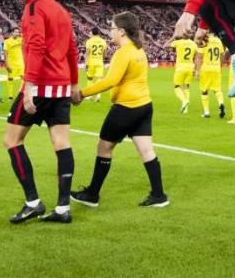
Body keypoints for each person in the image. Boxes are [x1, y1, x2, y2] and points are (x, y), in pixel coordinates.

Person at [4, 0, 79, 225]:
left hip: (40, 85)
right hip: (61, 86)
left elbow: (36, 46)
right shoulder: (61, 10)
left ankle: (33, 203)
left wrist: (29, 86)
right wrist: (74, 83)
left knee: (12, 140)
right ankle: (62, 208)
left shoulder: (34, 7)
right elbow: (71, 49)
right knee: (62, 143)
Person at [71, 12, 168, 208]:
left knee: (104, 148)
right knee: (147, 150)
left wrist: (81, 93)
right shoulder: (139, 50)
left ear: (122, 31)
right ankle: (159, 195)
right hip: (144, 106)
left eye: (112, 28)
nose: (110, 32)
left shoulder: (123, 53)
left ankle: (92, 194)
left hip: (126, 108)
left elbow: (110, 81)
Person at [194, 29, 226, 119]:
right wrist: (220, 66)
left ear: (207, 31)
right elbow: (222, 55)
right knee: (217, 90)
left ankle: (206, 112)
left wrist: (197, 71)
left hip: (206, 68)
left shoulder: (204, 40)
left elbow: (199, 57)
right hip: (216, 68)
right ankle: (221, 103)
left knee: (204, 90)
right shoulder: (218, 41)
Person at [167, 35, 198, 114]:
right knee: (187, 87)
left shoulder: (178, 42)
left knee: (176, 87)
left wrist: (173, 37)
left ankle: (184, 101)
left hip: (180, 68)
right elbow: (196, 57)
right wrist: (195, 69)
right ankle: (186, 109)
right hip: (190, 67)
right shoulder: (193, 44)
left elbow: (165, 45)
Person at [84, 28, 109, 102]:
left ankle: (89, 95)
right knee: (99, 79)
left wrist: (86, 63)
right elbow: (104, 53)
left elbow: (87, 53)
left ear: (92, 33)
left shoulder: (89, 41)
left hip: (91, 61)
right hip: (99, 62)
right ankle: (98, 95)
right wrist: (102, 60)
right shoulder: (103, 41)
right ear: (98, 33)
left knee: (90, 78)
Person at [3, 24, 24, 97]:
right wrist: (6, 64)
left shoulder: (21, 39)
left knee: (23, 78)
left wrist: (22, 35)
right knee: (10, 78)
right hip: (11, 62)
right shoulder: (7, 41)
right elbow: (5, 53)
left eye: (18, 32)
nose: (17, 33)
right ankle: (10, 95)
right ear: (12, 33)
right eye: (15, 32)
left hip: (20, 62)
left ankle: (21, 92)